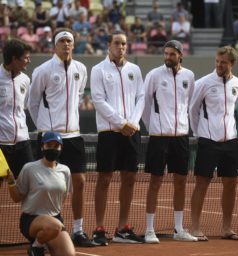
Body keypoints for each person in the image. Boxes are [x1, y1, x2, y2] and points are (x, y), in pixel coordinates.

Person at [28, 28, 95, 247]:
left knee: (80, 182)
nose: (66, 44)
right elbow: (33, 102)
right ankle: (47, 228)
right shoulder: (43, 70)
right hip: (50, 137)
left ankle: (78, 230)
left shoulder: (81, 69)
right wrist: (44, 129)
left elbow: (76, 97)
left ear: (73, 45)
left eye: (69, 41)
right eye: (62, 41)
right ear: (55, 45)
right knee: (48, 185)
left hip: (74, 135)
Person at [90, 30, 145, 245]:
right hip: (109, 133)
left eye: (123, 44)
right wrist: (121, 123)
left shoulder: (135, 69)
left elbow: (141, 97)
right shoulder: (98, 70)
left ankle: (122, 228)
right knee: (104, 179)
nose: (121, 47)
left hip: (132, 131)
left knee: (129, 178)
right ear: (109, 45)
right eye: (117, 43)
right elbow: (98, 100)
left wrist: (131, 123)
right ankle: (99, 228)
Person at [142, 40, 197, 243]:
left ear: (180, 56)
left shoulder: (189, 76)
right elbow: (145, 104)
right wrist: (153, 127)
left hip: (181, 137)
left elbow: (190, 105)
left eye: (172, 54)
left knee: (181, 182)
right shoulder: (154, 75)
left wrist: (185, 128)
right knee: (155, 182)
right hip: (159, 137)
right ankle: (149, 229)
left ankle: (179, 229)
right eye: (165, 54)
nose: (167, 57)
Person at [189, 46, 238, 241]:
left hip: (231, 142)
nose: (220, 65)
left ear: (232, 63)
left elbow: (231, 110)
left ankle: (227, 228)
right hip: (208, 141)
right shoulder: (203, 83)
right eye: (218, 62)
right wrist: (199, 133)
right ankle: (195, 227)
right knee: (202, 183)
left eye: (224, 62)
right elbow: (192, 110)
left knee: (231, 184)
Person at [5, 131, 75, 256]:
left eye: (56, 146)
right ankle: (36, 247)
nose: (52, 148)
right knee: (54, 226)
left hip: (55, 219)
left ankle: (43, 241)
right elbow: (17, 198)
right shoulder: (29, 168)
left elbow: (62, 198)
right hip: (31, 220)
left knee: (68, 254)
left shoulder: (65, 171)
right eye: (49, 145)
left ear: (61, 148)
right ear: (42, 147)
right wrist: (11, 182)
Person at [0, 39, 34, 179]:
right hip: (1, 144)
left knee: (30, 184)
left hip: (22, 142)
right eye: (25, 58)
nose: (29, 61)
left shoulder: (25, 79)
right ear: (14, 59)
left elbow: (23, 107)